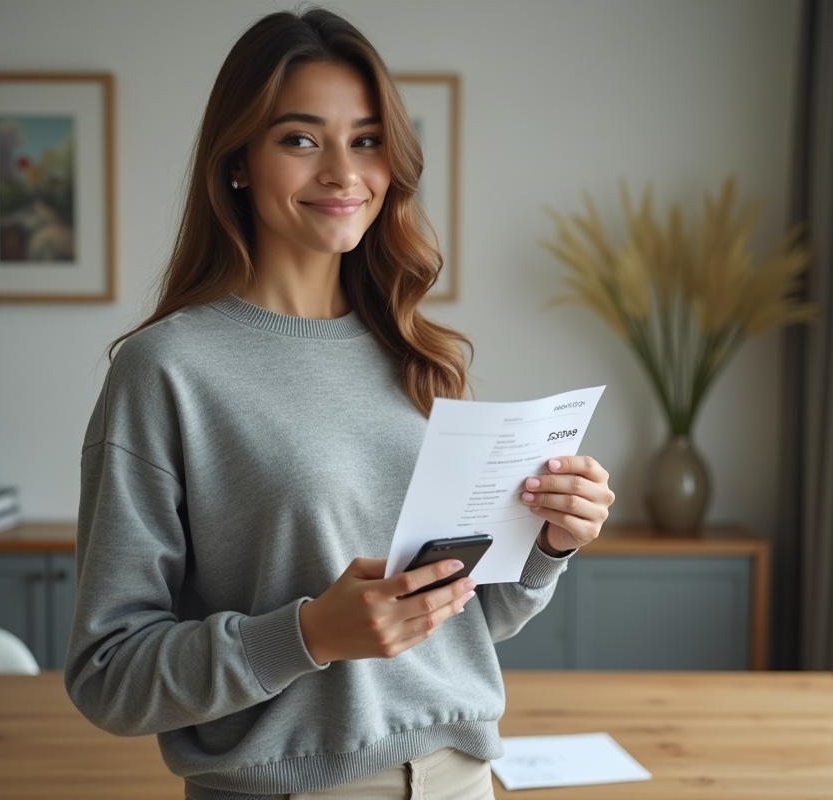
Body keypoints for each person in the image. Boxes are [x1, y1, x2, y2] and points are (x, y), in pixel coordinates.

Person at [64, 8, 615, 800]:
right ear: (239, 163)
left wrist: (548, 545)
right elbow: (108, 676)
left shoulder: (421, 357)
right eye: (299, 139)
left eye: (365, 140)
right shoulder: (168, 371)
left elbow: (465, 623)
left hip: (462, 779)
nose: (342, 173)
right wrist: (308, 635)